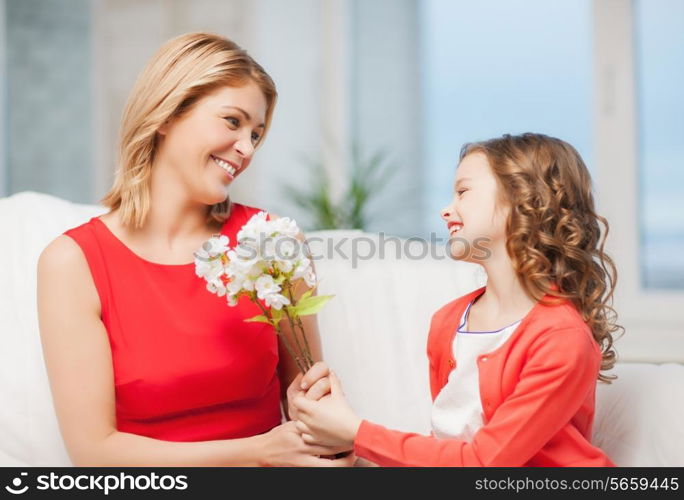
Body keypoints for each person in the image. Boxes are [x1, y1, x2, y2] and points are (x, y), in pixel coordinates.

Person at [37, 32, 352, 467]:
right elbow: (94, 453)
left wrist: (322, 431)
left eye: (257, 134)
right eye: (232, 121)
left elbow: (311, 411)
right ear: (167, 113)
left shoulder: (272, 241)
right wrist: (260, 453)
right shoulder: (73, 263)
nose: (246, 149)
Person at [292, 133, 622, 467]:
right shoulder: (448, 320)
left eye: (463, 192)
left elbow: (482, 463)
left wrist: (354, 433)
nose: (446, 210)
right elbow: (447, 444)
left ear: (522, 199)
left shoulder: (562, 339)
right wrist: (335, 434)